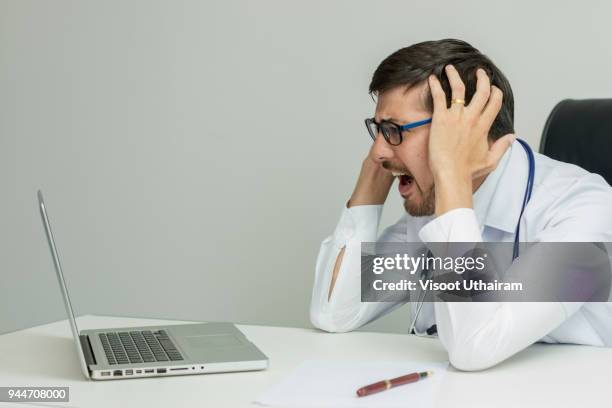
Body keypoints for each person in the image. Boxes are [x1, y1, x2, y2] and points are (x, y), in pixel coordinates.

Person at [309, 39, 612, 371]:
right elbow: (335, 312)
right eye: (378, 130)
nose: (379, 150)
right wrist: (372, 178)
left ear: (468, 132)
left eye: (394, 130)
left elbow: (473, 348)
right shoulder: (430, 211)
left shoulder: (585, 213)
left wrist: (451, 172)